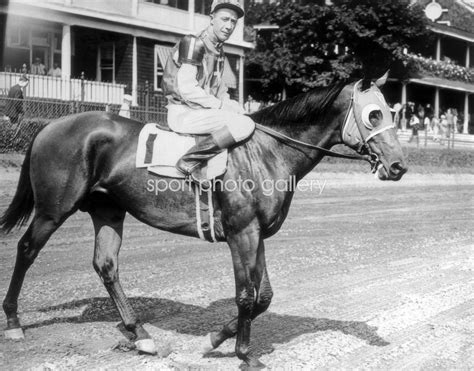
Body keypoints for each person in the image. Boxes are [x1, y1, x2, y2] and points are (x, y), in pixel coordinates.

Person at [162, 0, 255, 183]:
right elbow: (188, 89)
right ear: (212, 18)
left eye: (233, 22)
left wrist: (234, 107)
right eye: (225, 19)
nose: (229, 26)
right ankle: (190, 160)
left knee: (247, 118)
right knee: (245, 126)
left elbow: (221, 92)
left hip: (201, 113)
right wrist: (221, 106)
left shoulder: (220, 51)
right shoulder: (193, 43)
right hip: (183, 113)